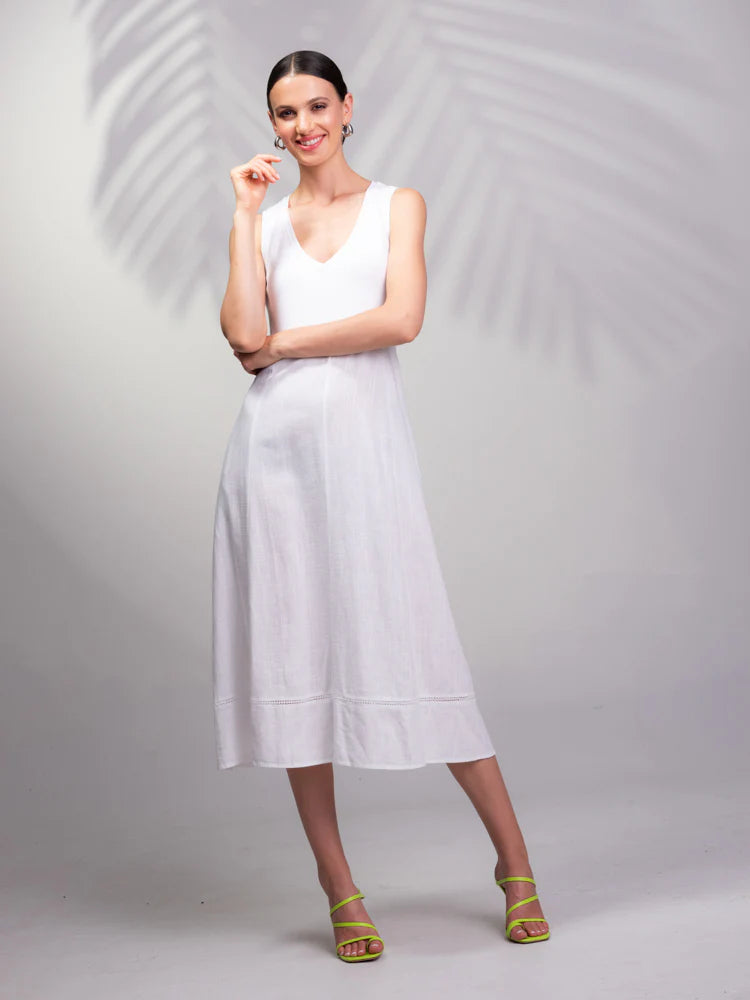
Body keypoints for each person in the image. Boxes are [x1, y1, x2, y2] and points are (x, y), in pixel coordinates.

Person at [212, 49, 549, 962]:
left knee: (417, 646)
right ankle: (339, 888)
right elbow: (240, 337)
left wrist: (285, 344)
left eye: (317, 105)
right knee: (294, 671)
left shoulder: (399, 203)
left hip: (366, 463)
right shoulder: (268, 220)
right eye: (285, 113)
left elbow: (400, 319)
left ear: (348, 106)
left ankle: (514, 865)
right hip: (271, 466)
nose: (302, 125)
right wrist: (244, 218)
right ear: (272, 124)